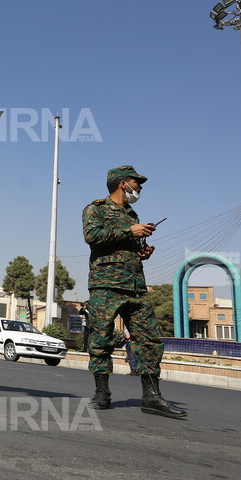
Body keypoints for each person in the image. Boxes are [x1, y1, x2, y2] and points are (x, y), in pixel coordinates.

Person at [82, 165, 186, 418]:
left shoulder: (132, 213)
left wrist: (142, 252)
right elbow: (92, 236)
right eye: (136, 182)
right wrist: (130, 231)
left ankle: (151, 397)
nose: (139, 187)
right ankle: (102, 394)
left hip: (135, 285)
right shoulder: (95, 208)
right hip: (106, 285)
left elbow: (126, 245)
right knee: (101, 339)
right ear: (122, 184)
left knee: (149, 340)